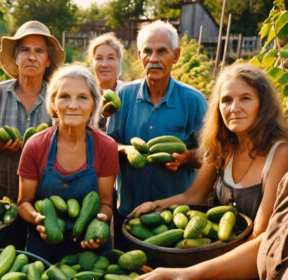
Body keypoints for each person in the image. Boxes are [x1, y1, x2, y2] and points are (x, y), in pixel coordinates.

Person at [132, 63, 288, 241]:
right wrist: (154, 205)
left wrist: (196, 268)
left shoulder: (281, 154)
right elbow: (194, 196)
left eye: (245, 98)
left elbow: (259, 235)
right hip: (218, 253)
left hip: (256, 261)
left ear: (263, 105)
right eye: (226, 100)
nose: (234, 108)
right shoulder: (224, 147)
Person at [106, 20, 208, 249]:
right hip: (129, 211)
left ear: (176, 55)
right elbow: (107, 145)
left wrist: (187, 158)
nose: (153, 59)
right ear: (139, 56)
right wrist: (127, 150)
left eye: (162, 51)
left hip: (175, 216)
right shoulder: (123, 95)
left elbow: (211, 154)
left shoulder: (194, 100)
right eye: (147, 52)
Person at [17, 64, 120, 262]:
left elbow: (106, 203)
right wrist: (37, 218)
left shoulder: (106, 147)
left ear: (93, 105)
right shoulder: (36, 145)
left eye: (82, 97)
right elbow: (23, 203)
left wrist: (100, 221)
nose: (73, 105)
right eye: (64, 96)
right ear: (53, 104)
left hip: (91, 251)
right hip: (44, 248)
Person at [0, 20, 66, 201]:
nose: (31, 57)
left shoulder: (58, 99)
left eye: (39, 51)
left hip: (43, 202)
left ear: (47, 61)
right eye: (25, 50)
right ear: (15, 57)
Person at [136, 172, 288, 280]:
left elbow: (258, 234)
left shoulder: (280, 154)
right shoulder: (221, 149)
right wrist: (186, 273)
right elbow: (269, 244)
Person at [87, 32, 126, 130]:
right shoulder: (84, 94)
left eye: (111, 58)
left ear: (119, 61)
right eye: (99, 58)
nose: (104, 64)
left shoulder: (128, 94)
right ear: (92, 63)